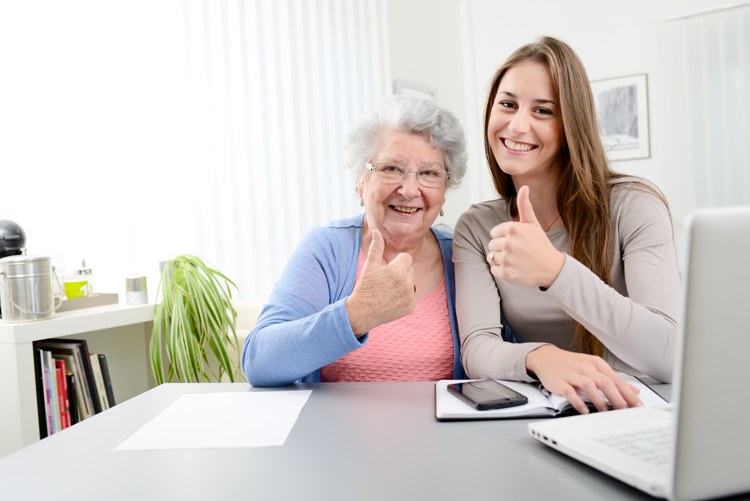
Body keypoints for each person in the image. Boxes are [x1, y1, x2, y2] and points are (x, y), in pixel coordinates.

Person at [453, 36, 680, 414]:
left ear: (572, 124)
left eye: (543, 111)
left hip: (638, 410)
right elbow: (478, 347)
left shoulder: (635, 205)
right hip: (545, 413)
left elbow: (669, 354)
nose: (518, 124)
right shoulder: (478, 226)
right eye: (507, 104)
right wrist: (540, 358)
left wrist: (556, 271)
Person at [242, 96, 468, 386]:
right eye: (391, 169)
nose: (409, 189)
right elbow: (259, 362)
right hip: (338, 431)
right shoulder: (327, 248)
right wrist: (356, 315)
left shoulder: (462, 255)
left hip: (443, 432)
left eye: (429, 173)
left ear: (445, 189)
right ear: (361, 181)